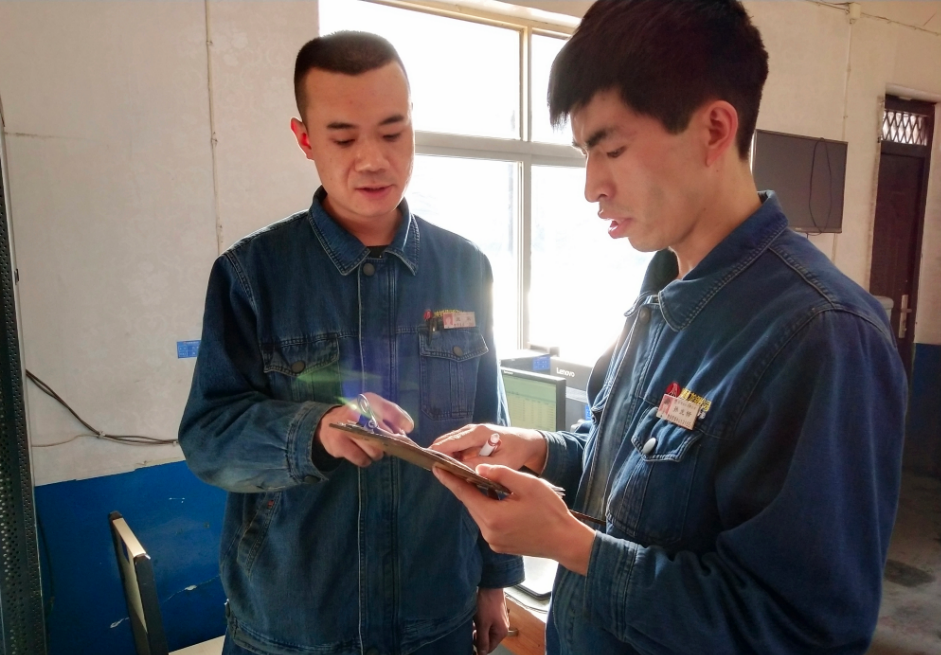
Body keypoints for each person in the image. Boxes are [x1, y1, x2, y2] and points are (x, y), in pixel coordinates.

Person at [431, 1, 908, 653]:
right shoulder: (660, 297)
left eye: (613, 149)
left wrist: (571, 545)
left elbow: (800, 632)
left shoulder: (822, 335)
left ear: (713, 129)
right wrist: (538, 448)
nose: (591, 186)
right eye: (582, 153)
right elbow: (622, 459)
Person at [179, 31, 522, 655]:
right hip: (294, 628)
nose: (373, 159)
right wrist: (317, 430)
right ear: (305, 138)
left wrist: (496, 580)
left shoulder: (465, 268)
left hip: (434, 619)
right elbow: (209, 439)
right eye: (343, 137)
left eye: (393, 133)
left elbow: (489, 433)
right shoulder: (252, 275)